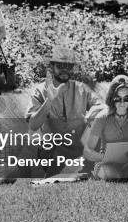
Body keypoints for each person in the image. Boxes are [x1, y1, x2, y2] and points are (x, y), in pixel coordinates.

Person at [25, 45, 103, 177]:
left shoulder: (82, 89)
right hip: (53, 149)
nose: (65, 70)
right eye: (61, 66)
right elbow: (33, 124)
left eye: (69, 66)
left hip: (80, 146)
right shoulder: (39, 90)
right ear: (52, 67)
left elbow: (104, 108)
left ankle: (83, 167)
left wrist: (93, 113)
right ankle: (74, 169)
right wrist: (49, 100)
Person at [82, 75, 128, 180]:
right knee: (112, 175)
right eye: (117, 99)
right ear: (111, 98)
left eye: (126, 98)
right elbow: (87, 151)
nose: (122, 103)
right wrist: (105, 158)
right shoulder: (102, 117)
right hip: (107, 164)